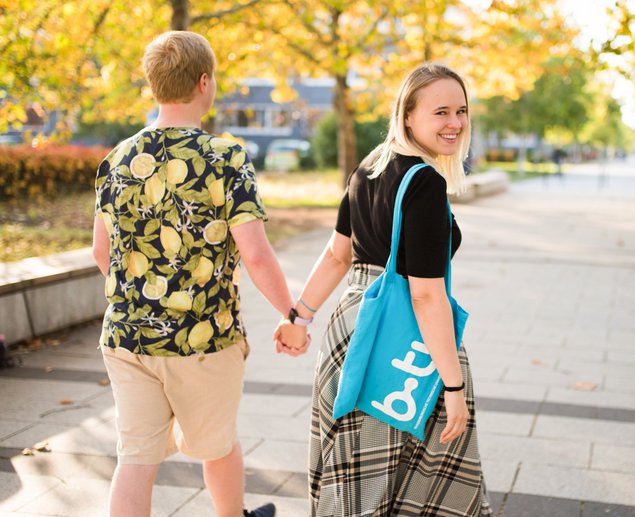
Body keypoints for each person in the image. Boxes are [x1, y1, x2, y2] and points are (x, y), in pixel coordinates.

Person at [91, 31, 308, 517]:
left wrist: (143, 298)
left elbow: (100, 250)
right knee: (217, 445)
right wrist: (292, 313)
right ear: (204, 82)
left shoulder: (117, 160)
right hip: (203, 339)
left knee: (136, 458)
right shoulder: (225, 158)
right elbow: (255, 253)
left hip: (127, 338)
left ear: (154, 85)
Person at [276, 63, 492, 516]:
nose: (454, 123)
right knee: (416, 477)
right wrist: (453, 387)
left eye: (461, 111)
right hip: (405, 343)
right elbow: (425, 294)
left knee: (358, 476)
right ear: (408, 116)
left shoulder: (368, 168)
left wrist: (300, 318)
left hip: (350, 330)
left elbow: (338, 255)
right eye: (441, 112)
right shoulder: (426, 184)